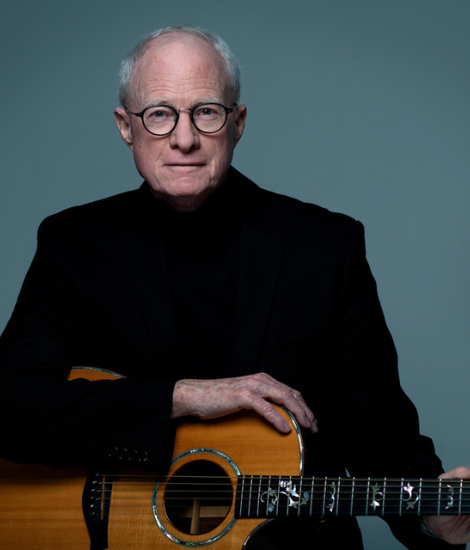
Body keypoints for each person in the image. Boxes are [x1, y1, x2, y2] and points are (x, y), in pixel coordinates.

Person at [0, 25, 469, 549]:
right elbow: (9, 405)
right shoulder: (74, 245)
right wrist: (182, 398)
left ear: (237, 122)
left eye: (206, 111)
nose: (183, 138)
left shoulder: (325, 248)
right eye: (159, 114)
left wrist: (432, 519)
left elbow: (382, 433)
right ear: (125, 127)